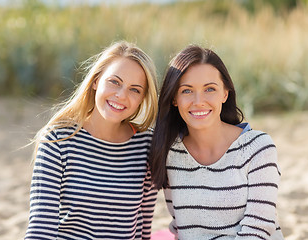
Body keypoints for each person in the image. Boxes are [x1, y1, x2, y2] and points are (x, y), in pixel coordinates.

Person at [25, 41, 158, 240]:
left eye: (135, 90)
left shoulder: (146, 145)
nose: (121, 95)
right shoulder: (57, 141)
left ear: (142, 99)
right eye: (114, 81)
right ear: (96, 81)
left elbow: (143, 228)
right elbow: (40, 230)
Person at [149, 45, 284, 239]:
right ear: (174, 99)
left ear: (225, 93)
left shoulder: (258, 148)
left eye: (209, 89)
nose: (198, 101)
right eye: (187, 91)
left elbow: (258, 230)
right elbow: (181, 228)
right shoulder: (170, 154)